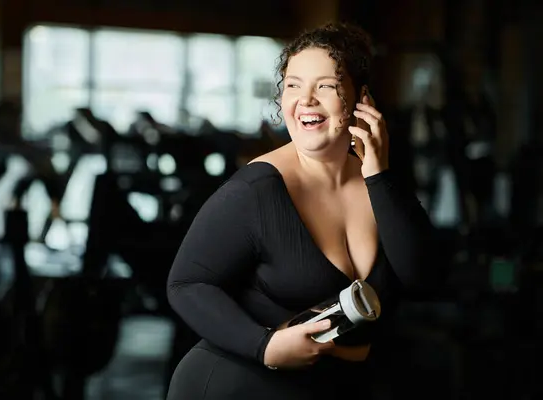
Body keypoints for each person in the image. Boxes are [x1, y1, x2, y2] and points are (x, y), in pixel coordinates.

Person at [165, 21, 442, 399]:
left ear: (361, 98)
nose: (306, 100)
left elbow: (423, 278)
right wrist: (263, 345)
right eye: (293, 85)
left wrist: (379, 174)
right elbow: (186, 284)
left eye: (325, 86)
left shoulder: (382, 185)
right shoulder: (256, 189)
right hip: (237, 384)